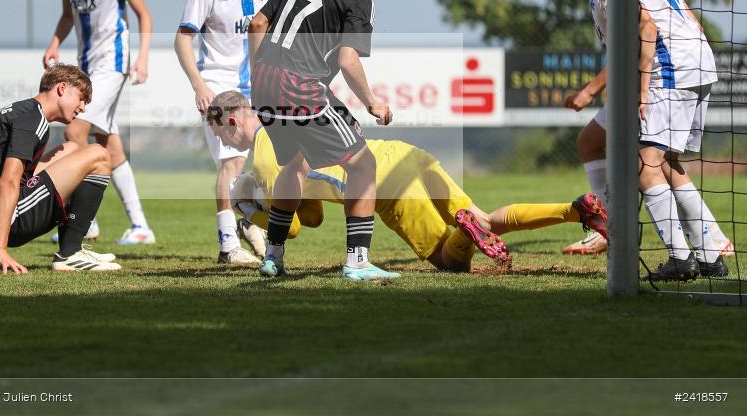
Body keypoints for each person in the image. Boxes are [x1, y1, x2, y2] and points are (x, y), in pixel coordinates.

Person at [207, 91, 608, 273]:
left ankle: (464, 233)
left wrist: (250, 210)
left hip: (383, 186)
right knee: (486, 219)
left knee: (451, 261)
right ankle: (576, 210)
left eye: (222, 134)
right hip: (402, 153)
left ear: (234, 119)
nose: (225, 143)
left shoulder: (262, 156)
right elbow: (310, 213)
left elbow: (292, 228)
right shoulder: (289, 119)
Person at [571, 0, 729, 281]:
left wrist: (643, 88)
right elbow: (688, 15)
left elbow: (645, 25)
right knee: (667, 161)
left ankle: (679, 258)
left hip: (667, 69)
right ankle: (708, 255)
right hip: (699, 61)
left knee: (645, 161)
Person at [247, 0, 397, 281]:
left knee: (295, 164)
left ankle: (273, 256)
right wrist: (372, 102)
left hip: (264, 81)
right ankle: (358, 263)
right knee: (363, 165)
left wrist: (258, 73)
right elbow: (348, 60)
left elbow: (257, 24)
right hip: (299, 86)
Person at [44, 0, 156, 246]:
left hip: (113, 63)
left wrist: (143, 58)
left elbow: (143, 15)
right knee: (110, 146)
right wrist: (53, 45)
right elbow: (68, 16)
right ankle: (140, 226)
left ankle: (83, 220)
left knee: (75, 130)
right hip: (86, 67)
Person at [174, 0, 277, 265]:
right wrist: (200, 86)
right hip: (218, 85)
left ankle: (249, 222)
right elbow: (182, 39)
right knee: (231, 165)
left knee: (268, 163)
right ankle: (228, 246)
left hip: (257, 88)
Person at [0, 64, 121, 273]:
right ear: (61, 88)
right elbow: (8, 182)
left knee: (71, 148)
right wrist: (1, 250)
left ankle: (72, 250)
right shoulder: (32, 121)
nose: (83, 107)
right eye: (81, 97)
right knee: (99, 154)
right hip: (10, 223)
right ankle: (70, 253)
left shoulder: (7, 114)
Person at [555, 0, 609, 256]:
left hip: (655, 83)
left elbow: (633, 42)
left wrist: (591, 89)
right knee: (590, 142)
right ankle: (607, 226)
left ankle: (709, 241)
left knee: (655, 167)